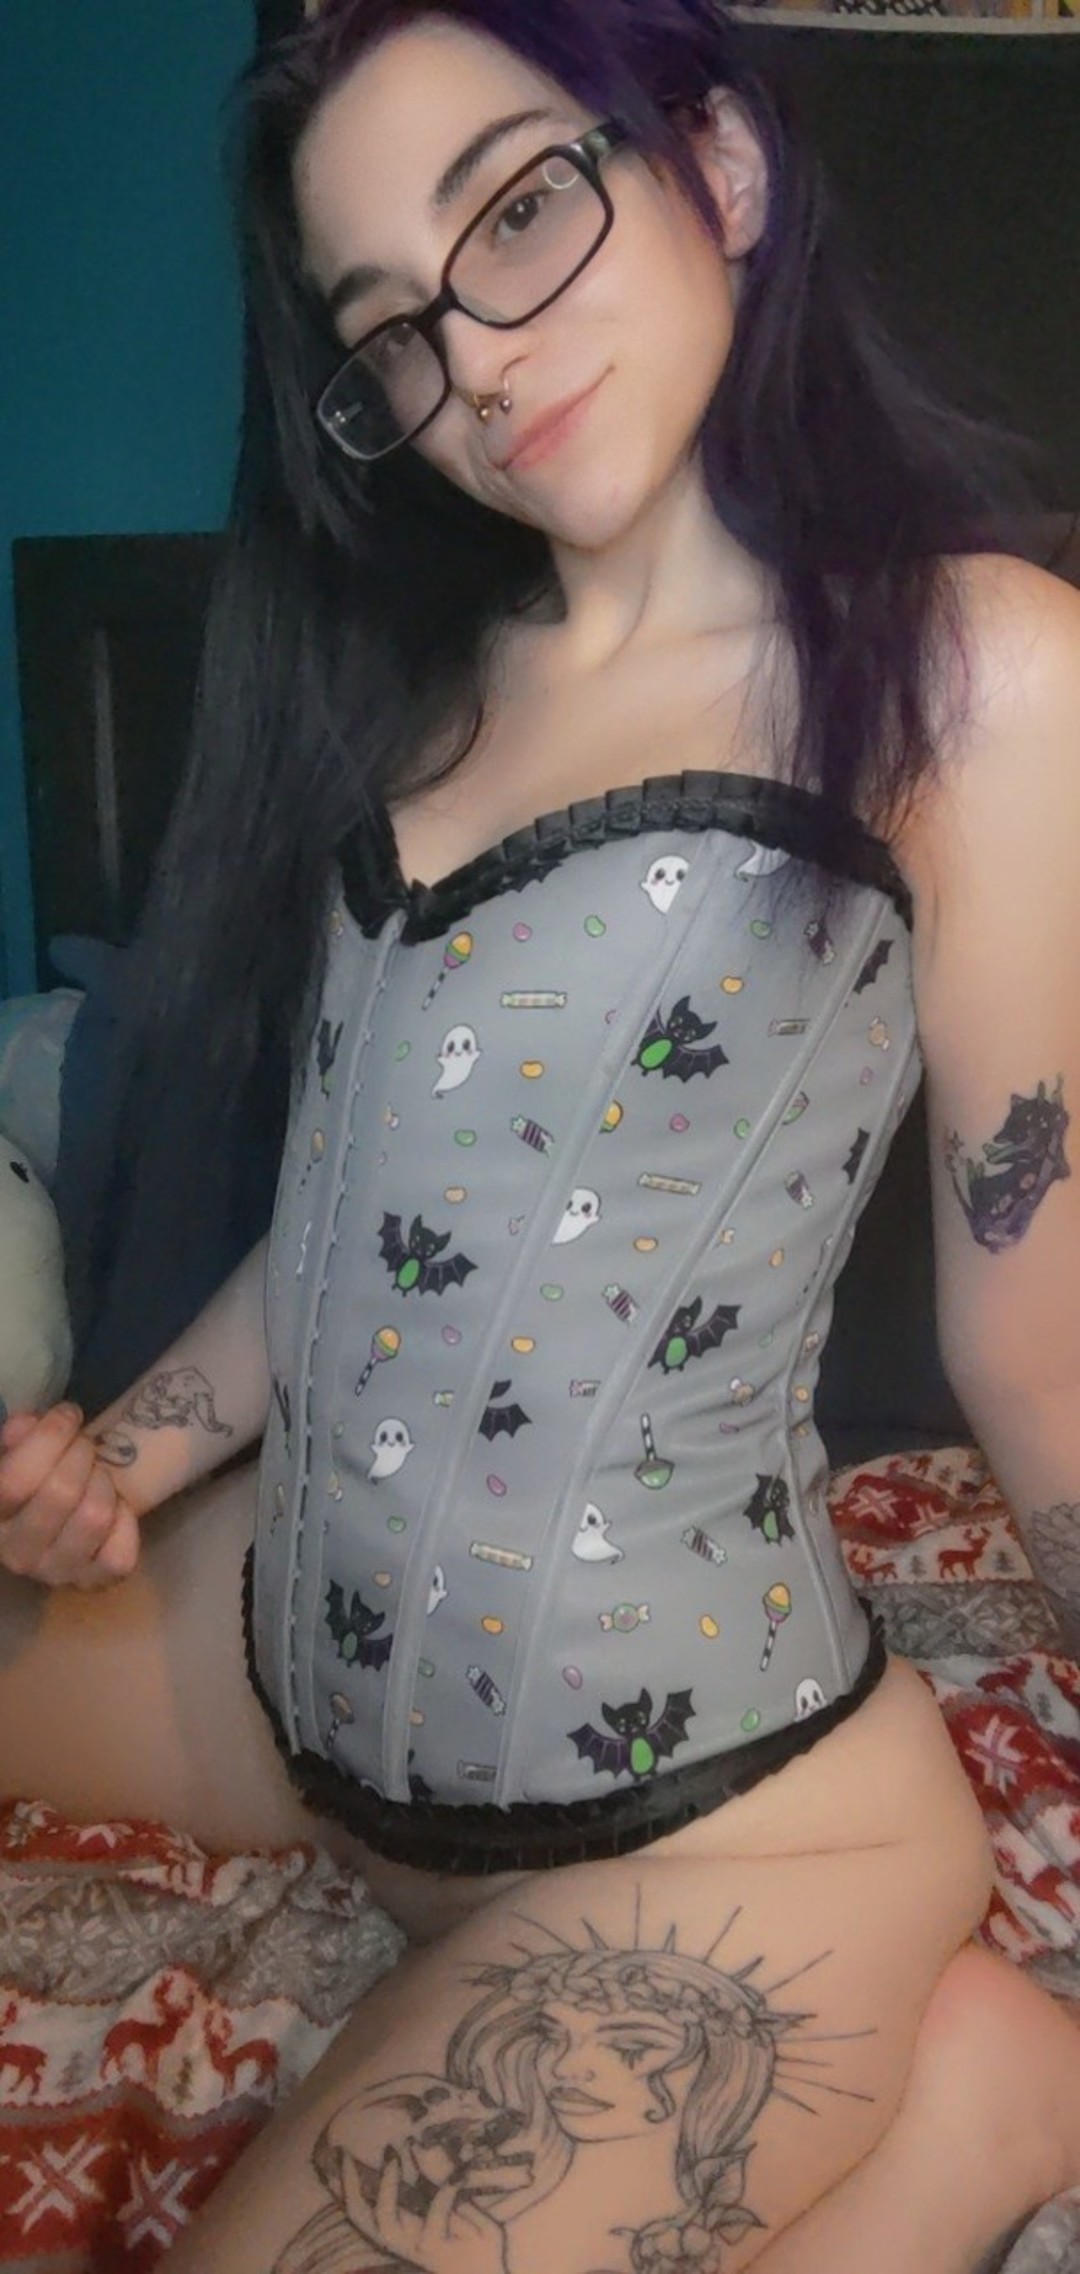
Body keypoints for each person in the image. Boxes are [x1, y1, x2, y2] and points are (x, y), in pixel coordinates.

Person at [1, 1, 1078, 2265]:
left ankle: (982, 2113)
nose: (472, 363)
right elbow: (350, 1222)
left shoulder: (980, 670)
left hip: (714, 1825)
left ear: (721, 170)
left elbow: (1043, 1354)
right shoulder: (430, 680)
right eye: (388, 327)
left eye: (513, 211)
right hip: (290, 1691)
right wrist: (126, 1452)